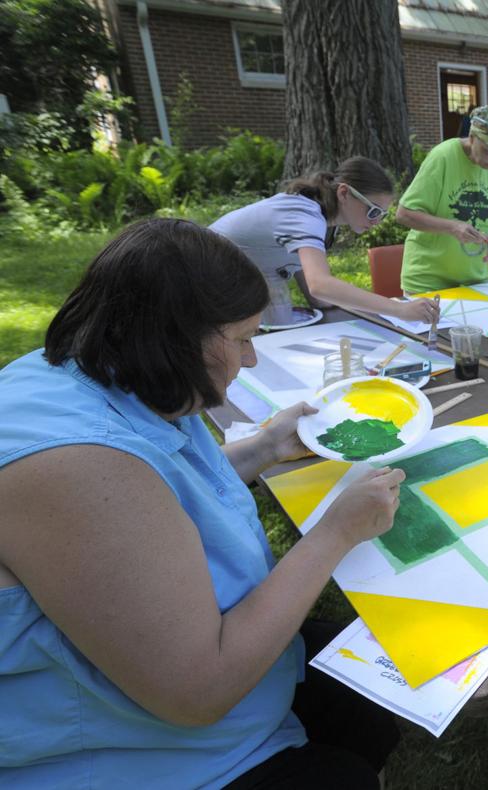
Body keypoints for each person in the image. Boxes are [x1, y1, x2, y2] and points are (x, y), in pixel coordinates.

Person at [0, 219, 405, 787]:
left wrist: (263, 447)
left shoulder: (109, 376)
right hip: (132, 752)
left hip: (175, 688)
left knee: (374, 692)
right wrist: (335, 534)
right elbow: (199, 691)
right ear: (171, 341)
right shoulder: (77, 468)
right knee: (345, 772)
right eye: (242, 340)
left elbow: (165, 492)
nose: (252, 360)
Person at [210, 156, 438, 327]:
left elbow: (305, 272)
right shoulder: (305, 215)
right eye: (372, 211)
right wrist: (399, 309)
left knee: (279, 330)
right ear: (344, 193)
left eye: (382, 214)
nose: (377, 221)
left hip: (253, 271)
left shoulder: (324, 217)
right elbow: (320, 284)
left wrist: (322, 304)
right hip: (207, 273)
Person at [395, 105, 488, 294]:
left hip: (474, 279)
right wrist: (452, 227)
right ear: (473, 138)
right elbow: (404, 214)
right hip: (428, 280)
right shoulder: (443, 156)